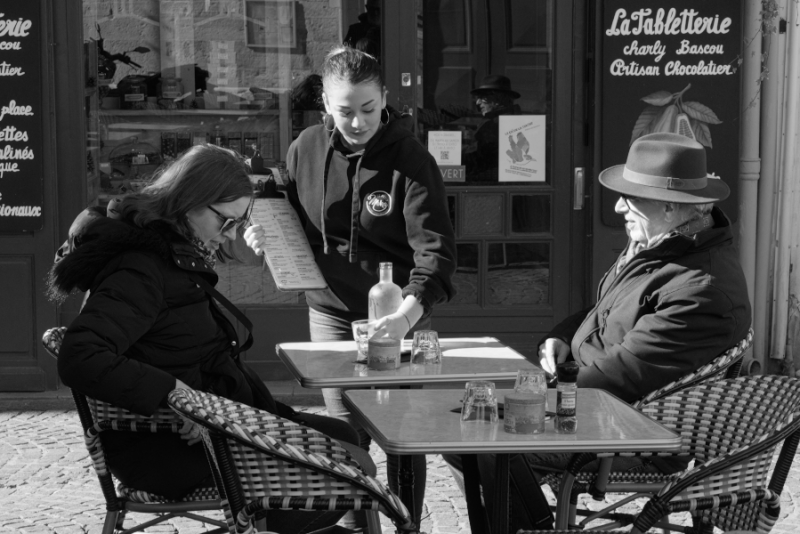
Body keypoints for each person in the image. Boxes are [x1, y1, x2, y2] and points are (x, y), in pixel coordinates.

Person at [47, 144, 365, 534]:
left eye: (238, 223)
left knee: (345, 440)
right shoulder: (141, 267)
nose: (230, 234)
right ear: (188, 203)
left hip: (213, 425)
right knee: (345, 469)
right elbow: (81, 356)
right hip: (167, 448)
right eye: (225, 222)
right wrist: (176, 398)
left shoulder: (173, 251)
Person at [446, 132, 752, 530]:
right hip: (594, 406)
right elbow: (605, 312)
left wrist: (530, 398)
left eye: (633, 197)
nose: (619, 205)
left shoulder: (699, 289)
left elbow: (621, 378)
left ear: (674, 206)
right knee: (473, 428)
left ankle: (529, 528)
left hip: (631, 434)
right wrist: (558, 337)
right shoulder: (666, 250)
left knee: (477, 442)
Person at [245, 46, 457, 528]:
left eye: (367, 109)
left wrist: (405, 317)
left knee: (400, 434)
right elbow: (288, 211)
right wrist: (263, 232)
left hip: (400, 313)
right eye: (344, 111)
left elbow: (437, 256)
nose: (358, 122)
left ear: (384, 98)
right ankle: (354, 527)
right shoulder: (306, 147)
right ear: (325, 103)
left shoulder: (411, 160)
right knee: (344, 435)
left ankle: (406, 524)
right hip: (333, 311)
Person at [466, 74, 521, 181]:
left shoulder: (496, 123)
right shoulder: (505, 119)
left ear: (497, 99)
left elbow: (477, 157)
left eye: (482, 98)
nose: (477, 102)